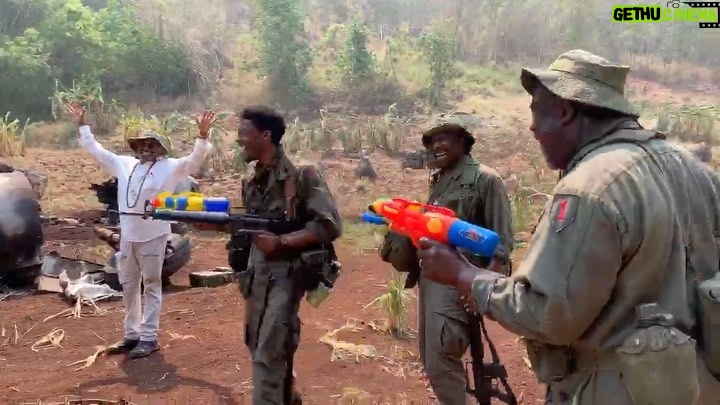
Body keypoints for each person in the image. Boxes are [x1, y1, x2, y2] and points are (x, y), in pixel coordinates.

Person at [414, 49, 720, 404]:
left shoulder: (590, 188)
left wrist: (465, 276)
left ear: (564, 111)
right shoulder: (699, 174)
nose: (531, 128)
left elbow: (549, 314)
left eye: (535, 113)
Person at [378, 113, 514, 404]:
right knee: (431, 359)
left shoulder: (484, 179)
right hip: (431, 280)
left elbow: (501, 244)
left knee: (442, 358)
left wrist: (481, 288)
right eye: (433, 141)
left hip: (458, 283)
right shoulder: (441, 182)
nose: (437, 145)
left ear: (463, 142)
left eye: (444, 138)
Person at [68, 103, 215, 359]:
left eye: (152, 144)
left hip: (154, 235)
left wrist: (202, 136)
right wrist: (82, 125)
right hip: (128, 235)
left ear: (160, 149)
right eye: (143, 143)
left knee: (151, 284)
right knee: (129, 285)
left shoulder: (170, 167)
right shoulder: (124, 164)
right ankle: (131, 334)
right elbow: (97, 151)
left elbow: (194, 161)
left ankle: (149, 337)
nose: (146, 147)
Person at [231, 105, 342, 404]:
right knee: (257, 344)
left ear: (265, 135)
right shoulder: (252, 181)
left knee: (269, 352)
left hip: (287, 275)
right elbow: (255, 227)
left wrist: (282, 243)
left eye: (244, 133)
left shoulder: (302, 175)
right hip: (256, 276)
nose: (239, 140)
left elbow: (329, 225)